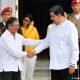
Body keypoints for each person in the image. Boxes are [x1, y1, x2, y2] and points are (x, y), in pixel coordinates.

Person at [28, 5, 79, 80]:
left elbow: (74, 47)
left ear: (59, 15)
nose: (51, 18)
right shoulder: (52, 27)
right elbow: (46, 42)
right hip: (54, 65)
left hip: (67, 66)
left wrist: (73, 63)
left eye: (52, 16)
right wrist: (35, 51)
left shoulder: (70, 27)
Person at [21, 14, 39, 80]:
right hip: (23, 55)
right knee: (22, 75)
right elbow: (25, 36)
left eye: (27, 21)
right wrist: (31, 26)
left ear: (30, 21)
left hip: (32, 55)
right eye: (24, 20)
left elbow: (37, 41)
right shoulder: (20, 29)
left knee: (30, 75)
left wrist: (34, 52)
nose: (25, 22)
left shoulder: (34, 29)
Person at [68, 0, 80, 78]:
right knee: (73, 62)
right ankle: (73, 77)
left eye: (77, 5)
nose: (75, 7)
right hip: (72, 42)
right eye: (73, 6)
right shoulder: (68, 17)